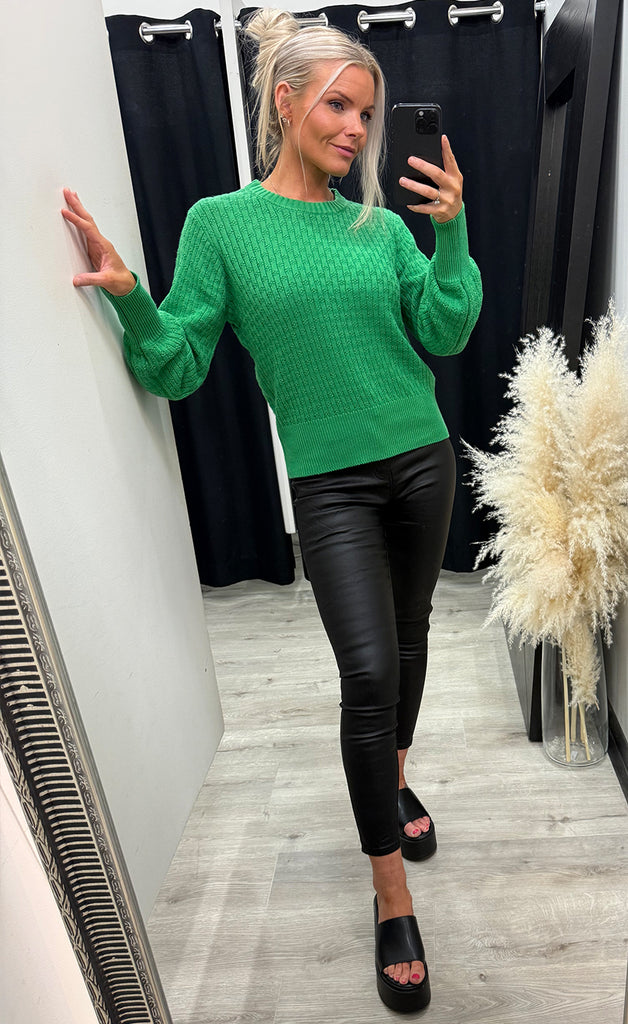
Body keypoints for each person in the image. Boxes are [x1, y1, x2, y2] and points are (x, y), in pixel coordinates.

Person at [61, 9, 482, 1013]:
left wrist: (451, 230)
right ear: (285, 101)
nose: (356, 129)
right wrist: (129, 294)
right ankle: (390, 893)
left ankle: (393, 777)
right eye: (338, 105)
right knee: (368, 671)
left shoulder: (378, 226)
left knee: (412, 638)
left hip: (420, 458)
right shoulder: (220, 225)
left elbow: (446, 328)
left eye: (366, 113)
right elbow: (176, 361)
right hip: (329, 484)